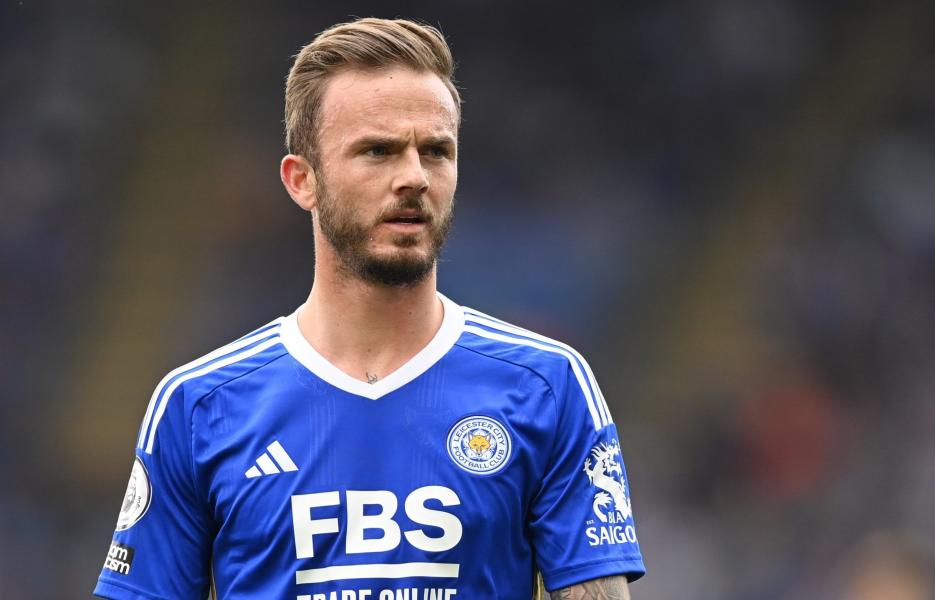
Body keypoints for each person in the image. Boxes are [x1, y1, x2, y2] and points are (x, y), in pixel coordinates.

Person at [94, 17, 645, 600]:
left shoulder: (548, 387)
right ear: (301, 180)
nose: (413, 177)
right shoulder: (198, 406)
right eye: (377, 151)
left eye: (435, 151)